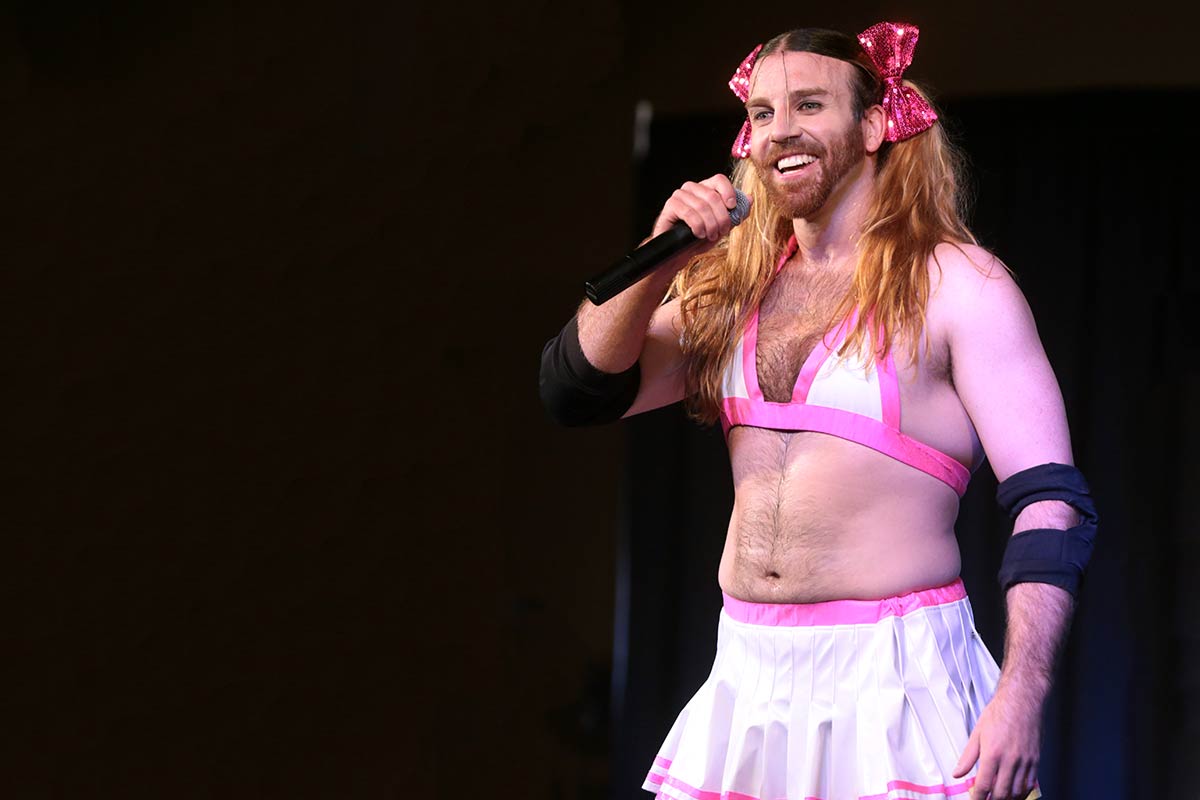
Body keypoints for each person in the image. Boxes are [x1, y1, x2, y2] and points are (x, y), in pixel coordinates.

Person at [539, 22, 1097, 800]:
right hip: (749, 682)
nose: (780, 131)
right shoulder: (734, 289)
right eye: (763, 113)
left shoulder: (960, 285)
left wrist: (1022, 698)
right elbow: (575, 388)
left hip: (899, 685)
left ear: (875, 124)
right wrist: (662, 253)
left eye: (808, 105)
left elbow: (1050, 504)